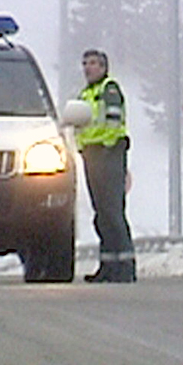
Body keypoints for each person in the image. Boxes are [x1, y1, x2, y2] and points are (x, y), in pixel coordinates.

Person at [76, 49, 136, 283]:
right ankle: (108, 265)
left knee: (112, 212)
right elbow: (80, 124)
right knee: (101, 215)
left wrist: (109, 146)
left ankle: (125, 266)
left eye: (93, 63)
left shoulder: (109, 90)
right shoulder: (85, 94)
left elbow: (113, 120)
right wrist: (81, 147)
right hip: (92, 155)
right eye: (85, 63)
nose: (88, 68)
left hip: (108, 153)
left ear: (103, 67)